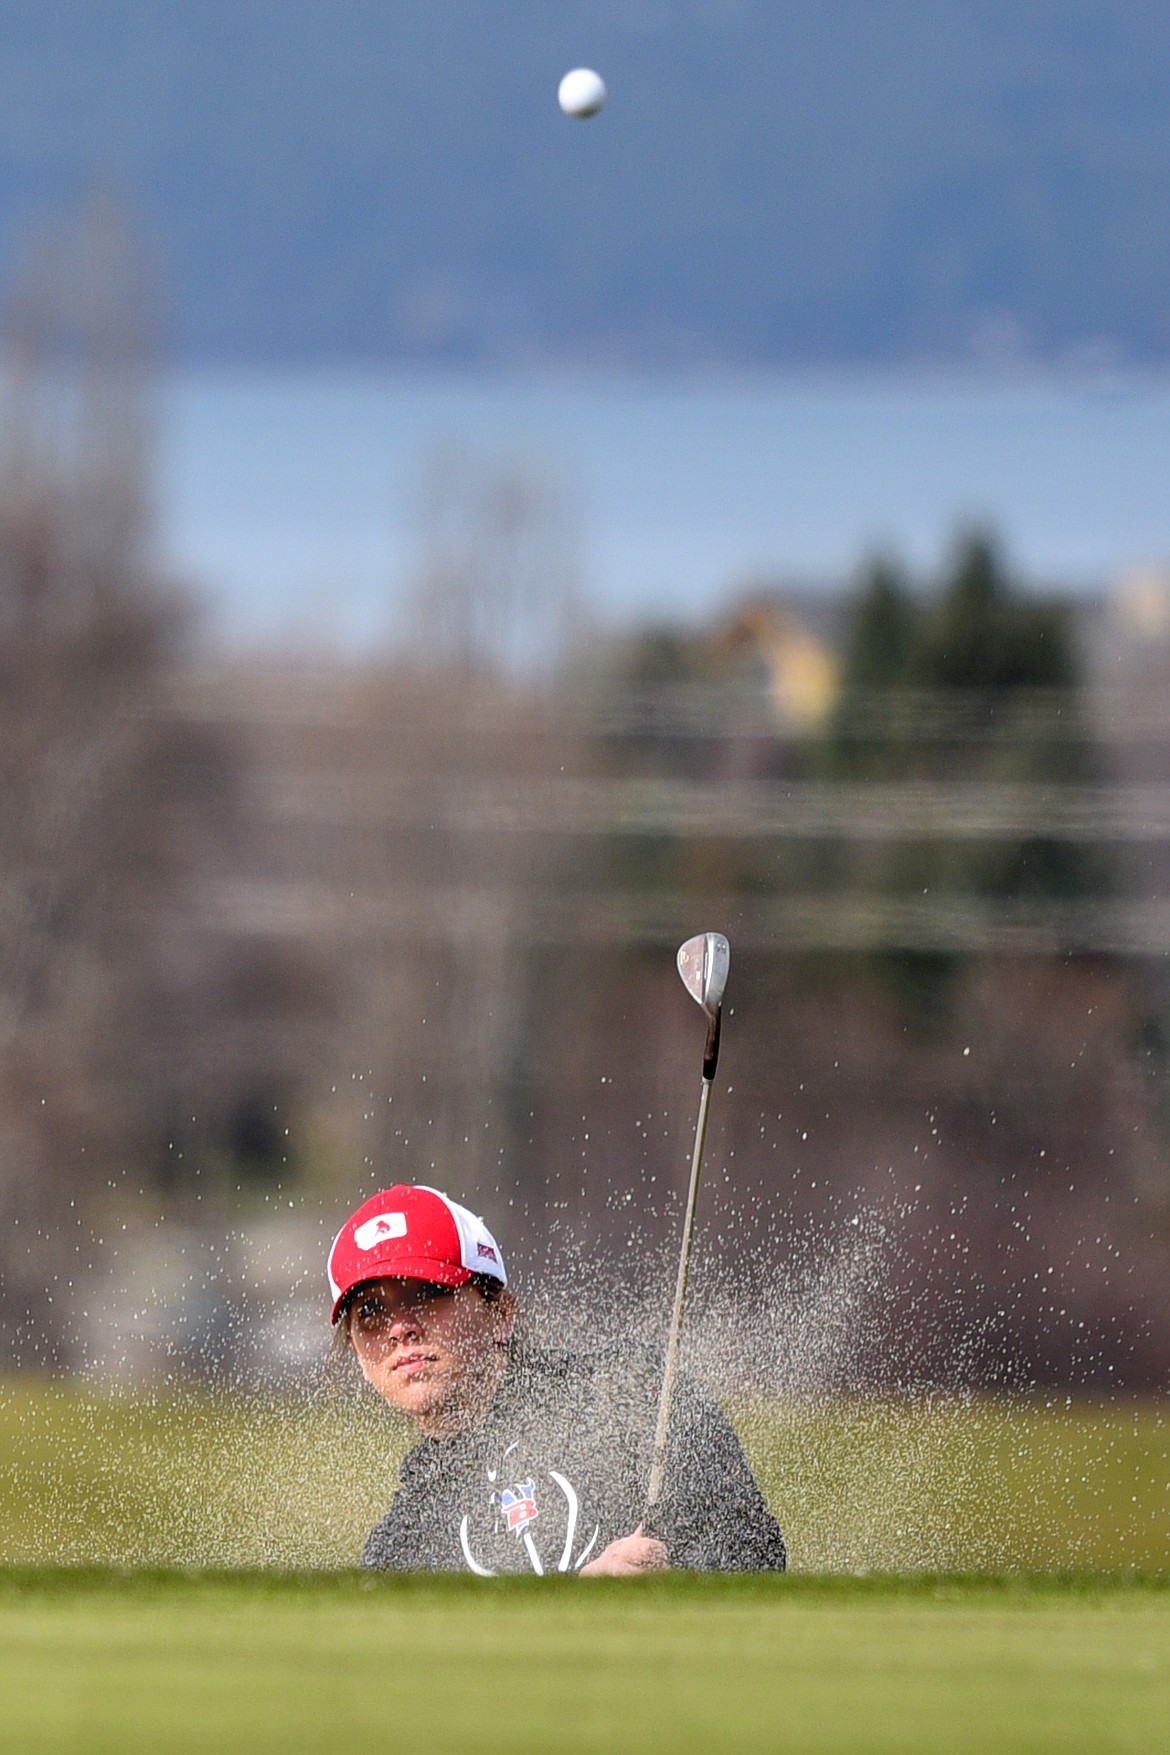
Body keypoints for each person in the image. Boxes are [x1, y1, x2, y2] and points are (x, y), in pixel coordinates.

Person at [328, 1183, 787, 1576]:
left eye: (427, 1292)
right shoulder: (404, 1541)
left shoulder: (630, 1394)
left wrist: (672, 1571)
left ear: (502, 1315)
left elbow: (757, 1554)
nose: (398, 1327)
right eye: (369, 1312)